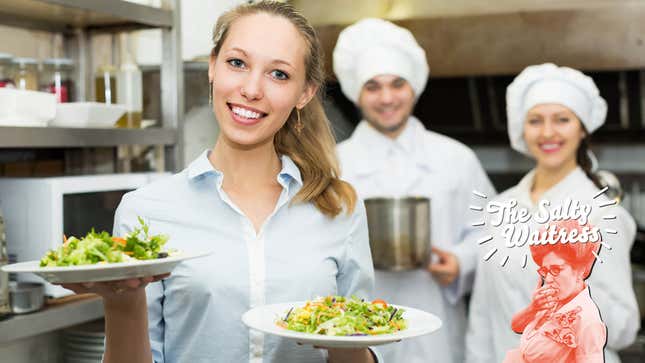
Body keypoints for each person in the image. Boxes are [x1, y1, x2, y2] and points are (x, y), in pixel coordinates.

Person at [60, 2, 380, 362]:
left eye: (279, 74)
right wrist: (121, 302)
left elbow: (360, 339)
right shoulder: (145, 211)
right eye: (237, 63)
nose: (251, 88)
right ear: (213, 67)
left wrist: (345, 336)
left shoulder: (339, 208)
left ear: (304, 93)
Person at [333, 18, 496, 363]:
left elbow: (496, 235)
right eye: (373, 87)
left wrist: (461, 262)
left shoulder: (456, 158)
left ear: (415, 87)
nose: (387, 98)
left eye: (397, 84)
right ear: (356, 94)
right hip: (357, 330)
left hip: (437, 324)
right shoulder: (333, 164)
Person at [466, 63, 639, 363]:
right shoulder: (499, 209)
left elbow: (624, 327)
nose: (547, 132)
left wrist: (574, 289)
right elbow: (482, 315)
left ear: (582, 128)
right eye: (535, 120)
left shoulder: (600, 213)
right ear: (522, 128)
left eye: (562, 119)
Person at [504, 219, 607, 362]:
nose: (549, 279)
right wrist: (533, 309)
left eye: (556, 270)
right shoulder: (550, 301)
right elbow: (515, 326)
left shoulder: (588, 321)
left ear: (581, 269)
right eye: (545, 271)